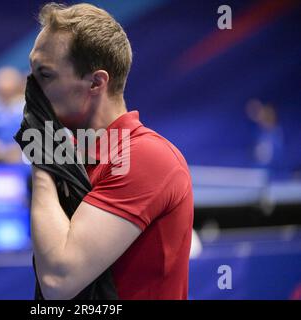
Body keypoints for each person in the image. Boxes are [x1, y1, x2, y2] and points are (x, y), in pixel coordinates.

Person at [26, 3, 193, 299]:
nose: (31, 89)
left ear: (95, 82)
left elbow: (57, 279)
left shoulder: (146, 158)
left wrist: (42, 158)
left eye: (45, 75)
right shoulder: (70, 155)